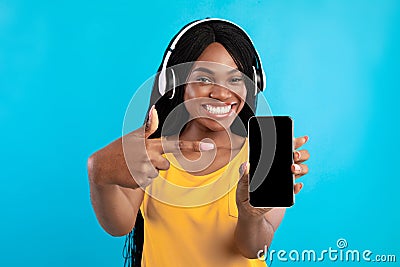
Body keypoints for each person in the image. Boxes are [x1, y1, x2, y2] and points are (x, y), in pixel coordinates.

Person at [87, 18, 310, 267]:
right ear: (173, 84)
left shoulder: (263, 154)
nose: (222, 93)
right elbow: (118, 226)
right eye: (204, 79)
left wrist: (251, 215)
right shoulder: (151, 151)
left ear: (253, 85)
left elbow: (253, 249)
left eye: (235, 79)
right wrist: (99, 173)